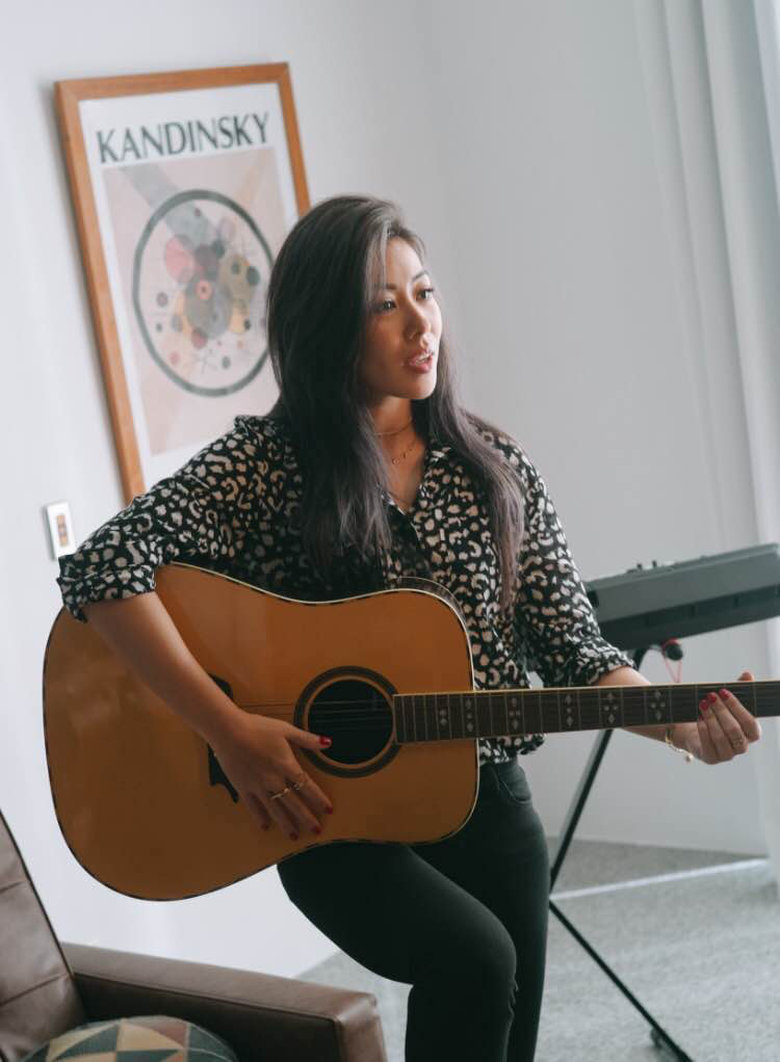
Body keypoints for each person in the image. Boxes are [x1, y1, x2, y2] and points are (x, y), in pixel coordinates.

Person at [57, 195, 761, 1061]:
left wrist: (683, 726)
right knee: (475, 960)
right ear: (325, 325)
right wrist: (228, 730)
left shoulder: (493, 472)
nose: (421, 325)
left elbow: (574, 647)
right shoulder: (265, 467)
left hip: (486, 798)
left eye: (425, 293)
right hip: (326, 812)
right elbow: (102, 565)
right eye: (384, 305)